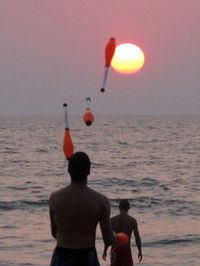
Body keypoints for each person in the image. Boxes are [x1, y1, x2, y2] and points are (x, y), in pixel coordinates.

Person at [49, 151, 114, 266]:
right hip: (87, 257)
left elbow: (55, 233)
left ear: (69, 170)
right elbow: (108, 239)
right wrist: (119, 237)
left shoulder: (55, 198)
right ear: (88, 171)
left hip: (61, 256)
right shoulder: (101, 201)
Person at [102, 199, 143, 266]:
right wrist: (140, 251)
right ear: (128, 208)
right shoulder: (132, 221)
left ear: (119, 207)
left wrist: (105, 251)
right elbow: (137, 237)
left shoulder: (112, 220)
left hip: (115, 249)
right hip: (126, 249)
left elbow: (108, 237)